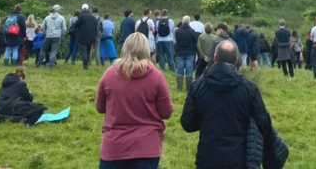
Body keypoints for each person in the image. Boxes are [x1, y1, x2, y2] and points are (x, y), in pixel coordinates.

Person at [181, 40, 273, 169]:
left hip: (207, 157)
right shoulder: (249, 88)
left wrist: (205, 119)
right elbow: (263, 122)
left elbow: (188, 124)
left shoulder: (197, 86)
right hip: (238, 158)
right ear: (236, 60)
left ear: (215, 58)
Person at [96, 33, 173, 169]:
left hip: (114, 146)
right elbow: (166, 113)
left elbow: (100, 108)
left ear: (125, 48)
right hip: (147, 146)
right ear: (146, 50)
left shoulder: (109, 74)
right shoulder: (156, 76)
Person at [174, 16, 198, 91]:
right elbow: (195, 43)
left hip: (180, 52)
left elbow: (175, 42)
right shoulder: (192, 31)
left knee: (180, 71)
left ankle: (179, 88)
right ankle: (189, 89)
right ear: (189, 22)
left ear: (182, 21)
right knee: (189, 71)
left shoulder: (177, 31)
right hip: (190, 53)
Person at [75, 4, 98, 70]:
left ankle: (85, 65)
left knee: (83, 51)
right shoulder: (93, 17)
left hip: (82, 36)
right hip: (91, 36)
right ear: (88, 9)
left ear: (82, 9)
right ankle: (87, 64)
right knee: (88, 50)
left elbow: (76, 26)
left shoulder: (81, 16)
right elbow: (95, 28)